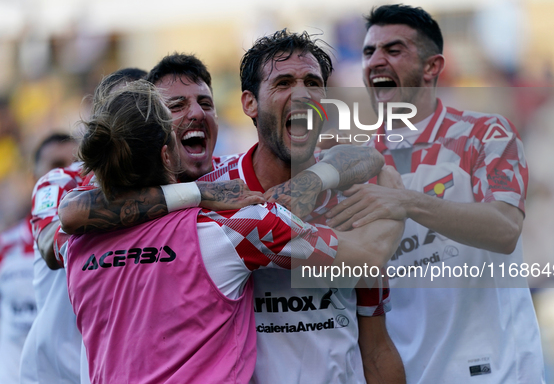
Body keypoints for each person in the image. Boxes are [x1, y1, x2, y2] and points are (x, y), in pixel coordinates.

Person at [59, 38, 407, 383]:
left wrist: (315, 180)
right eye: (176, 106)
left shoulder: (79, 244)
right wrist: (401, 204)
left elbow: (376, 346)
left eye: (313, 84)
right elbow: (74, 210)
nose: (301, 95)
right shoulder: (229, 214)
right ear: (249, 103)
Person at [323, 4, 545, 383]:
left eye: (393, 50)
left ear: (432, 66)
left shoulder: (486, 135)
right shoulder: (354, 161)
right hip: (406, 372)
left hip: (499, 370)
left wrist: (406, 202)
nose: (375, 61)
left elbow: (505, 230)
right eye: (368, 52)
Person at [21, 68, 147, 384]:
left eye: (140, 108)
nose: (129, 121)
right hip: (53, 374)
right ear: (98, 122)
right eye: (119, 108)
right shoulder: (61, 180)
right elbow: (54, 247)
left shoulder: (176, 185)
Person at [0, 133, 74, 383]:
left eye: (77, 163)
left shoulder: (96, 243)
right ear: (34, 178)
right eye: (56, 165)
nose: (67, 173)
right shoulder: (5, 247)